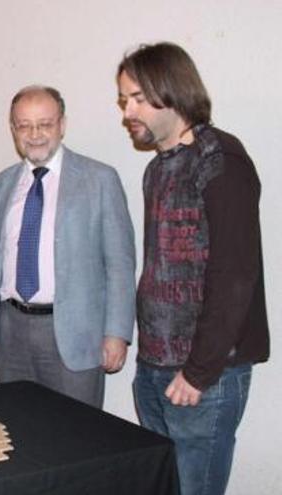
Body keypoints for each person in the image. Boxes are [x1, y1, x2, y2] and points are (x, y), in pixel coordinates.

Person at [117, 42, 269, 495]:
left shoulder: (220, 159)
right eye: (123, 99)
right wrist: (147, 364)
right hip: (155, 369)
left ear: (172, 91)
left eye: (138, 98)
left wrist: (198, 372)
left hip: (205, 378)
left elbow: (234, 276)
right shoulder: (157, 169)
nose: (127, 110)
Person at [0, 86, 136, 408]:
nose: (34, 134)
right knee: (18, 430)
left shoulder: (99, 180)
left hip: (75, 334)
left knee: (76, 436)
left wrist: (117, 333)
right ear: (13, 130)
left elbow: (120, 263)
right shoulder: (0, 186)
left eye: (45, 124)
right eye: (24, 125)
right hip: (11, 333)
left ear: (62, 125)